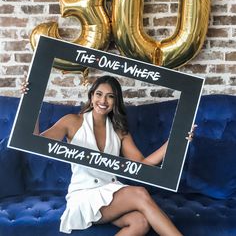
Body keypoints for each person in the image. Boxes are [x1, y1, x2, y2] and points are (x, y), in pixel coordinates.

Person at [22, 75, 193, 236]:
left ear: (115, 101)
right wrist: (30, 102)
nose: (103, 101)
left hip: (111, 191)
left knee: (140, 222)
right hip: (84, 195)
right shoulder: (72, 121)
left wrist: (176, 142)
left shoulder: (119, 130)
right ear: (91, 96)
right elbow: (35, 141)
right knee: (140, 193)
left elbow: (142, 163)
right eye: (99, 94)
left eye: (110, 96)